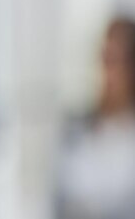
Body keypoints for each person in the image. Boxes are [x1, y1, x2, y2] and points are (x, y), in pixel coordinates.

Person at [55, 18, 135, 219]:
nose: (108, 73)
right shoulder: (76, 129)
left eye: (116, 62)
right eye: (104, 59)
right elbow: (57, 203)